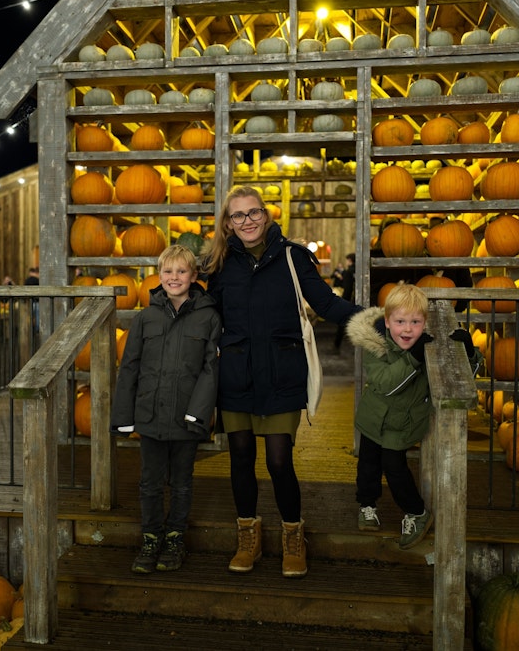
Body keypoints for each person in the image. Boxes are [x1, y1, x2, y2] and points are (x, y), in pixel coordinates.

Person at [202, 185, 361, 579]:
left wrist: (376, 320)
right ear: (227, 223)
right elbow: (208, 316)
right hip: (237, 373)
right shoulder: (220, 265)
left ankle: (293, 535)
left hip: (281, 371)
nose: (247, 221)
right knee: (240, 458)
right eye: (238, 215)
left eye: (253, 212)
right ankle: (248, 537)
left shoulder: (293, 257)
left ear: (266, 215)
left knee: (278, 460)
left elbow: (325, 303)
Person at [110, 244, 222, 574]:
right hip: (151, 415)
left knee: (182, 481)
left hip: (186, 417)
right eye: (168, 271)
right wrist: (124, 417)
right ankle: (151, 538)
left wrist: (198, 413)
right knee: (150, 482)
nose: (174, 277)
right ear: (158, 276)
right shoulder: (145, 318)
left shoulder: (208, 317)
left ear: (194, 275)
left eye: (181, 271)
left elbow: (210, 369)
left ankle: (174, 539)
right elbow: (128, 367)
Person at [346, 284, 481, 549]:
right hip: (373, 419)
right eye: (400, 322)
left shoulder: (429, 348)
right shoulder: (376, 346)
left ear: (425, 323)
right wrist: (412, 359)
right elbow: (385, 383)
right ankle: (367, 504)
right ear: (387, 321)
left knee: (395, 468)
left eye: (415, 322)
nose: (407, 329)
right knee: (368, 466)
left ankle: (416, 512)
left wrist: (469, 353)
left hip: (402, 424)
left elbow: (459, 378)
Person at [332, 252, 356, 352]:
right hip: (358, 300)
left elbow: (347, 289)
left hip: (349, 301)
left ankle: (336, 346)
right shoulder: (360, 270)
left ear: (349, 260)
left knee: (342, 324)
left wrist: (343, 303)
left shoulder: (348, 272)